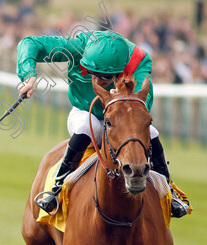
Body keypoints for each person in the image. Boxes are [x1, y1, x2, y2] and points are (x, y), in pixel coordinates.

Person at [17, 30, 189, 218]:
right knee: (87, 125)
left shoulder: (138, 60)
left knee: (153, 132)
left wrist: (123, 103)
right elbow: (30, 43)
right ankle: (57, 188)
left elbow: (142, 106)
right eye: (92, 73)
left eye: (106, 77)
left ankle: (170, 192)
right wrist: (29, 75)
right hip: (84, 112)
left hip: (123, 120)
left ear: (120, 68)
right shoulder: (76, 48)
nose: (98, 80)